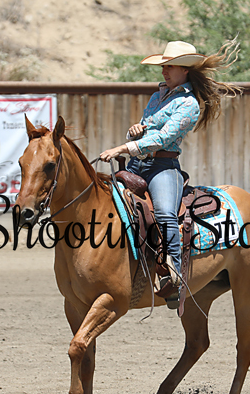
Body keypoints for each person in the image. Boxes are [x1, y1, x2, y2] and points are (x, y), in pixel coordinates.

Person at [99, 40, 238, 306]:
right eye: (164, 67)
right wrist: (134, 131)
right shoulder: (157, 97)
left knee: (164, 213)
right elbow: (146, 129)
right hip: (138, 164)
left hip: (163, 168)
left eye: (170, 67)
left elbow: (163, 139)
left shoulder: (189, 104)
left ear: (185, 70)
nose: (164, 71)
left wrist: (123, 147)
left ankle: (174, 274)